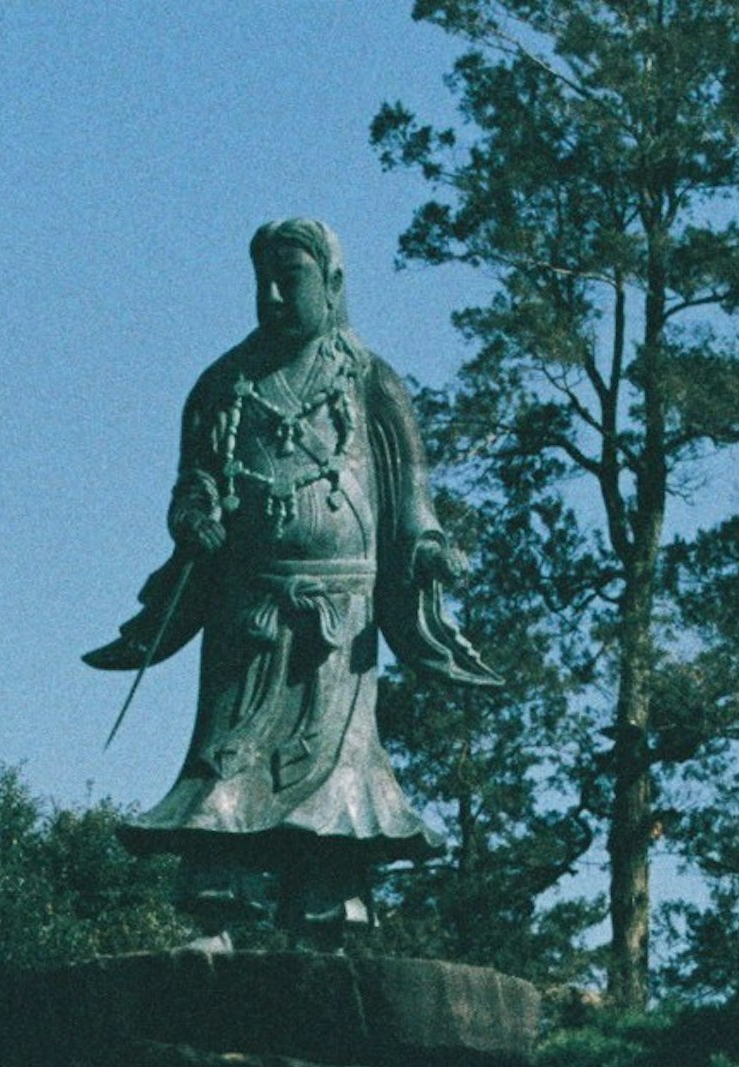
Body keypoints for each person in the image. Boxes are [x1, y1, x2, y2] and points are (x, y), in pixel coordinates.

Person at [88, 218, 497, 946]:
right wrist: (195, 517)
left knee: (338, 767)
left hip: (341, 616)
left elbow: (410, 495)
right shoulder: (224, 384)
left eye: (292, 279)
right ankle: (220, 911)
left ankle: (328, 911)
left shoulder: (371, 381)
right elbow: (194, 482)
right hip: (249, 609)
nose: (274, 296)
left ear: (333, 285)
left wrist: (428, 549)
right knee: (227, 760)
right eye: (263, 282)